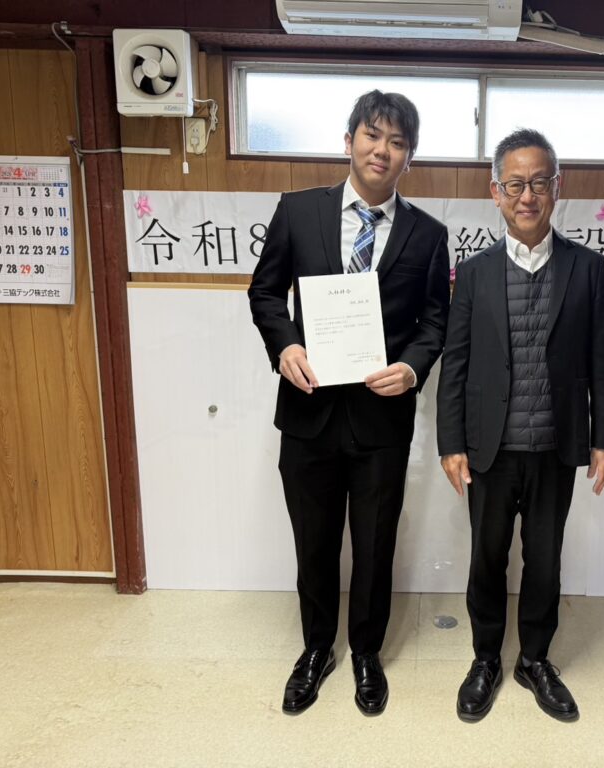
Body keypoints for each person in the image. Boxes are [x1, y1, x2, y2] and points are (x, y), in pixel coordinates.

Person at [249, 90, 450, 716]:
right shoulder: (298, 211)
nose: (381, 150)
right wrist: (285, 345)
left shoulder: (428, 234)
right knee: (313, 542)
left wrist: (412, 368)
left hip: (381, 421)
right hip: (308, 412)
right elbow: (264, 293)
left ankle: (366, 651)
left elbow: (435, 322)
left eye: (396, 142)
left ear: (409, 157)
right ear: (349, 141)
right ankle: (316, 649)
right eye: (372, 135)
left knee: (374, 544)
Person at [436, 128, 604, 723]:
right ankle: (485, 658)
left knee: (545, 559)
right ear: (495, 192)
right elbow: (456, 363)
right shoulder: (474, 273)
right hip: (488, 448)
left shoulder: (587, 268)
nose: (527, 196)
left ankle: (535, 660)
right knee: (487, 557)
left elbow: (603, 358)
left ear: (556, 188)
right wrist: (450, 443)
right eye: (515, 184)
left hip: (555, 446)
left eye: (539, 183)